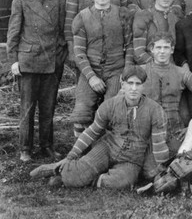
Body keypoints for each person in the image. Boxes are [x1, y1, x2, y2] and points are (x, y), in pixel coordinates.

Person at [30, 66, 170, 189]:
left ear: (144, 85)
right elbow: (91, 132)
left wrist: (161, 171)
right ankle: (59, 169)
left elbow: (159, 144)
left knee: (120, 183)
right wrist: (71, 156)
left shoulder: (155, 110)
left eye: (138, 84)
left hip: (132, 158)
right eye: (130, 83)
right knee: (79, 172)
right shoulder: (110, 105)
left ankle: (87, 179)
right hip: (108, 148)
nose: (133, 88)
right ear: (122, 83)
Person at [7, 0, 67, 162]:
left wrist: (59, 57)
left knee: (48, 107)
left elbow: (61, 31)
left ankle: (47, 146)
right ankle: (25, 148)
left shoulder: (58, 0)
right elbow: (13, 33)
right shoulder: (20, 1)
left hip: (51, 62)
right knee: (27, 107)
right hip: (29, 62)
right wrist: (14, 60)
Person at [70, 0, 133, 139]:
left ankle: (107, 150)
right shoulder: (82, 17)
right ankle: (81, 152)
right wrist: (91, 77)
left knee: (111, 110)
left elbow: (129, 46)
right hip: (91, 71)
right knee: (81, 112)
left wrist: (125, 74)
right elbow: (79, 52)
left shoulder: (122, 14)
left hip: (116, 71)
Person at [140, 33, 192, 179]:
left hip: (174, 130)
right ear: (151, 49)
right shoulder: (140, 71)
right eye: (158, 47)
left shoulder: (183, 73)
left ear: (172, 50)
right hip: (147, 130)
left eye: (166, 47)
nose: (162, 51)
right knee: (151, 173)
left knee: (178, 166)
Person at [132, 0, 183, 65]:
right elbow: (138, 52)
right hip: (148, 66)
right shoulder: (143, 16)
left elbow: (180, 50)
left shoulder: (176, 17)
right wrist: (159, 66)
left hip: (172, 67)